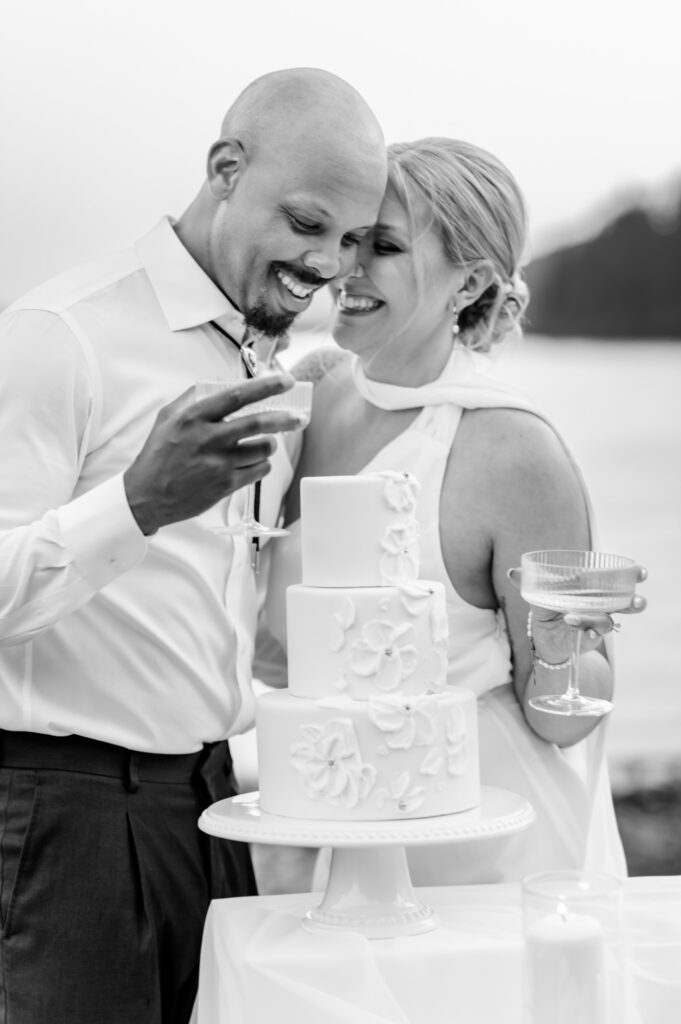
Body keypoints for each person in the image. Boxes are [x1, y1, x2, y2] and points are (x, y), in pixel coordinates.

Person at [0, 68, 387, 1024]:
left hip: (216, 808)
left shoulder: (260, 358)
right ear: (224, 168)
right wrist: (137, 502)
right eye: (305, 225)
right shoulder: (63, 335)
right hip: (66, 816)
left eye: (348, 240)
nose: (328, 266)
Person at [259, 136, 646, 888]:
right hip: (334, 820)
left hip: (490, 846)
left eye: (385, 246)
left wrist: (586, 622)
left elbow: (563, 715)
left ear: (467, 281)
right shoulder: (309, 395)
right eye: (346, 239)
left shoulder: (513, 452)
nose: (345, 266)